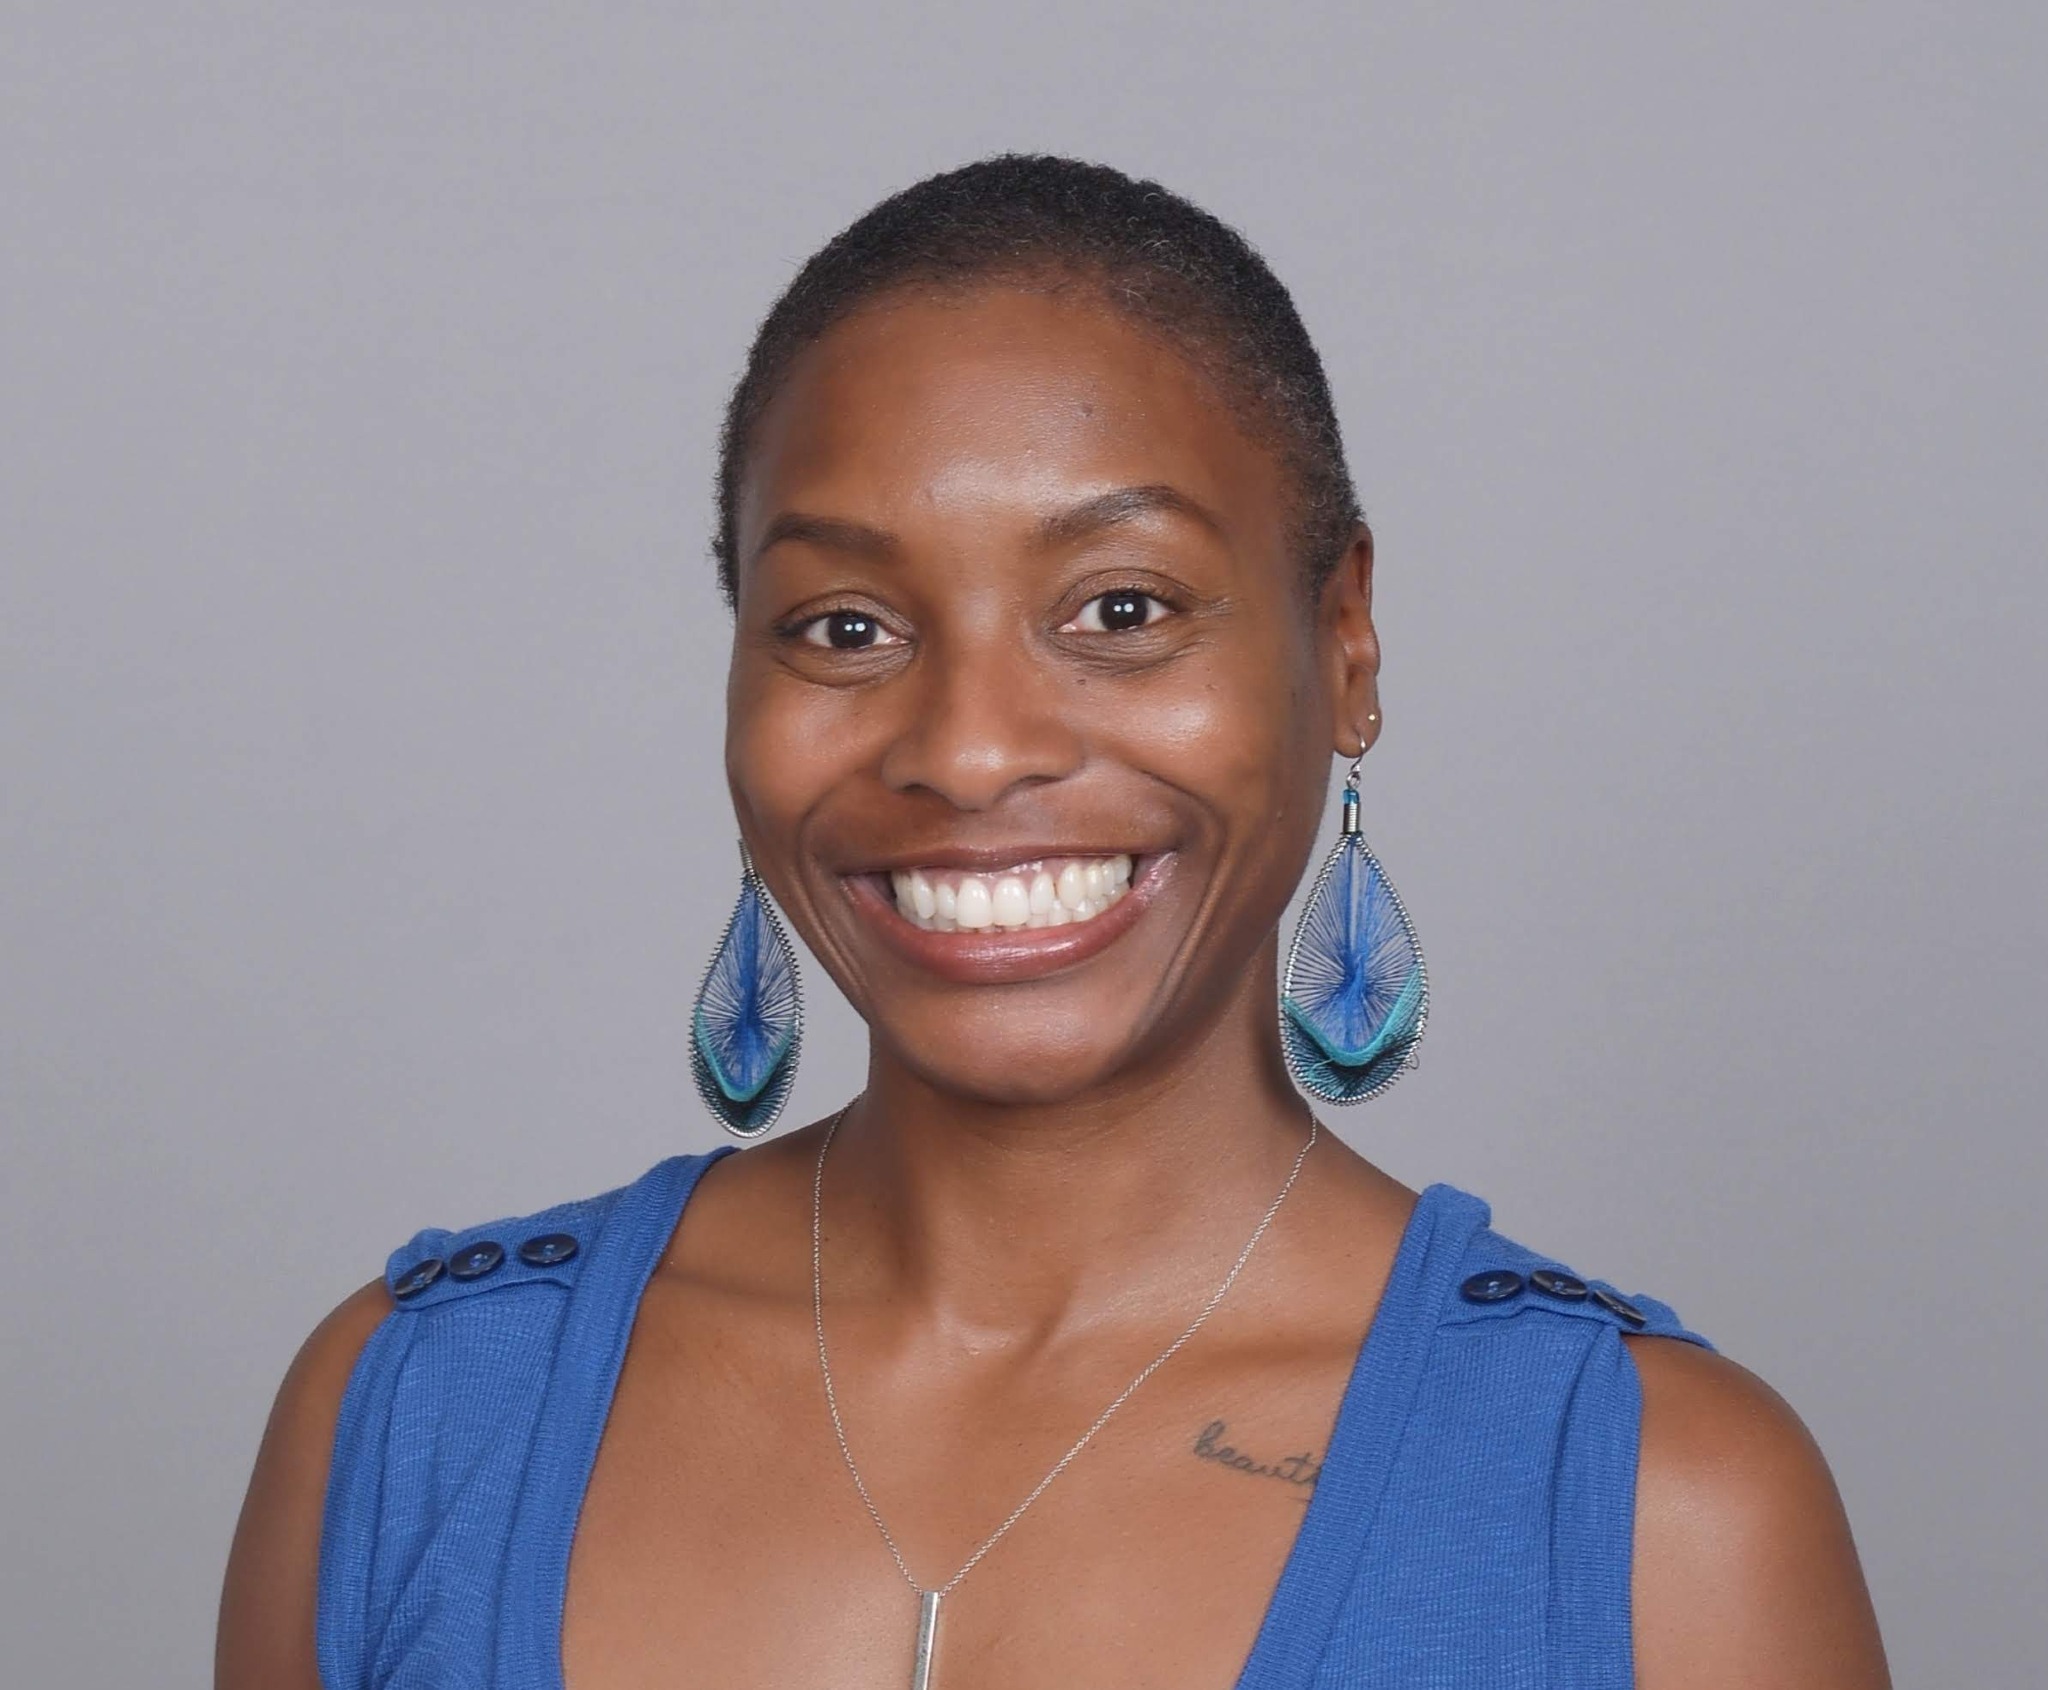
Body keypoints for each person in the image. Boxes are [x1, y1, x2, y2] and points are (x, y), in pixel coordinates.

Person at [217, 154, 1890, 1690]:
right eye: (846, 624)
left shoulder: (1659, 1517)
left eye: (1121, 607)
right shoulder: (409, 1414)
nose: (967, 750)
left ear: (1345, 642)